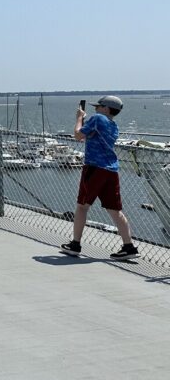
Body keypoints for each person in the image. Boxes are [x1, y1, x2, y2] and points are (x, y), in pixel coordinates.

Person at [60, 95, 139, 260]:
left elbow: (77, 135)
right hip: (111, 170)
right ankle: (128, 246)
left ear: (107, 108)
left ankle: (75, 244)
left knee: (82, 206)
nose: (95, 108)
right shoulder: (113, 125)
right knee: (115, 210)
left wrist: (79, 118)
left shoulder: (97, 119)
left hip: (94, 168)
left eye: (99, 106)